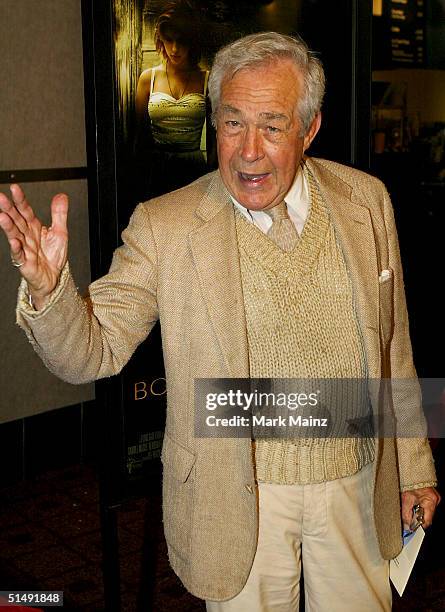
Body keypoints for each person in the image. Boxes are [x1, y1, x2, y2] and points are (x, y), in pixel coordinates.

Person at [0, 32, 440, 611]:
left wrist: (413, 463)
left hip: (357, 477)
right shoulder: (167, 225)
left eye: (273, 126)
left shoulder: (366, 201)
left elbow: (395, 347)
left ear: (309, 130)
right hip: (237, 490)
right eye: (233, 124)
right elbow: (92, 352)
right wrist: (50, 289)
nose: (248, 150)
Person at [134, 0, 214, 199]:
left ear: (192, 40)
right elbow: (140, 139)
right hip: (157, 169)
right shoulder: (148, 79)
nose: (175, 48)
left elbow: (216, 137)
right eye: (169, 40)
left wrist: (213, 178)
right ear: (161, 40)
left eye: (181, 40)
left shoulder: (207, 79)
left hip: (195, 170)